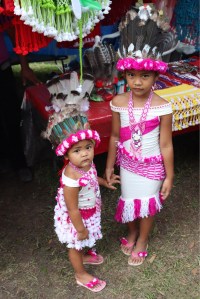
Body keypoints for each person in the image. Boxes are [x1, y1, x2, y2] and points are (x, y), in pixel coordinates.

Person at [105, 5, 174, 267]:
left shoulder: (162, 106)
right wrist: (110, 166)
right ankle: (132, 232)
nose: (137, 82)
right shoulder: (119, 102)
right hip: (128, 165)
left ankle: (142, 239)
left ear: (156, 74)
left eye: (144, 76)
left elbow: (166, 144)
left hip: (153, 165)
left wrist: (170, 175)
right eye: (131, 75)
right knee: (130, 200)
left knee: (146, 203)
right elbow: (113, 137)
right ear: (124, 73)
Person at [42, 72, 120, 292]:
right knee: (75, 244)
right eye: (78, 150)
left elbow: (91, 177)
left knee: (86, 238)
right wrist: (80, 229)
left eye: (88, 147)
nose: (85, 154)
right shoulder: (70, 178)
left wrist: (102, 182)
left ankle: (86, 253)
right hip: (76, 216)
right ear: (66, 154)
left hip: (88, 209)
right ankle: (80, 274)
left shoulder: (84, 166)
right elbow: (72, 207)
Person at [0, 30, 41, 182]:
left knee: (11, 116)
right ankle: (3, 157)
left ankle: (20, 163)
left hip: (2, 68)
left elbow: (14, 32)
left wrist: (24, 65)